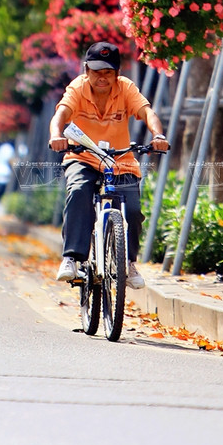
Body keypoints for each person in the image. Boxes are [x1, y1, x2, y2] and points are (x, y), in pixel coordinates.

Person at [49, 41, 169, 288]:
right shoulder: (78, 88)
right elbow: (60, 116)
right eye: (96, 71)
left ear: (117, 73)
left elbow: (148, 113)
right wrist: (56, 136)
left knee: (132, 210)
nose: (102, 78)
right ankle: (71, 258)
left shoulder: (126, 88)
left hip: (119, 160)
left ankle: (129, 263)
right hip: (82, 156)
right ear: (86, 70)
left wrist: (158, 135)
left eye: (108, 72)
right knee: (79, 191)